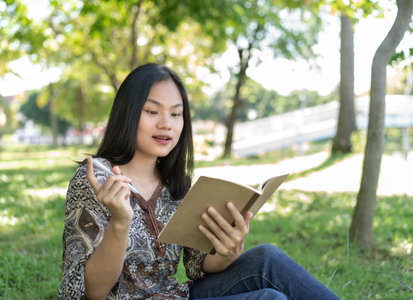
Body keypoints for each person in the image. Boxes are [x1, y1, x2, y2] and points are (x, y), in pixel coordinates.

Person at [58, 63, 340, 300]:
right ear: (129, 114)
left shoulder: (175, 184)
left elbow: (198, 266)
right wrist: (120, 222)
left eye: (176, 114)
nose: (166, 123)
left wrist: (229, 251)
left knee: (266, 256)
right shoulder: (96, 179)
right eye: (152, 111)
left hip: (176, 295)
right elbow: (93, 291)